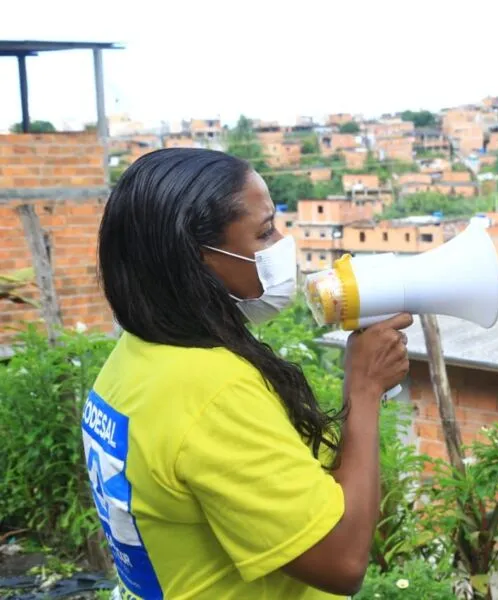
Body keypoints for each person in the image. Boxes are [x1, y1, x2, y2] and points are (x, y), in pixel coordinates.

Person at [83, 147, 411, 599]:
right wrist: (366, 386)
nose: (280, 245)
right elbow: (342, 562)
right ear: (197, 259)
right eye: (264, 233)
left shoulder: (135, 358)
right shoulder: (211, 393)